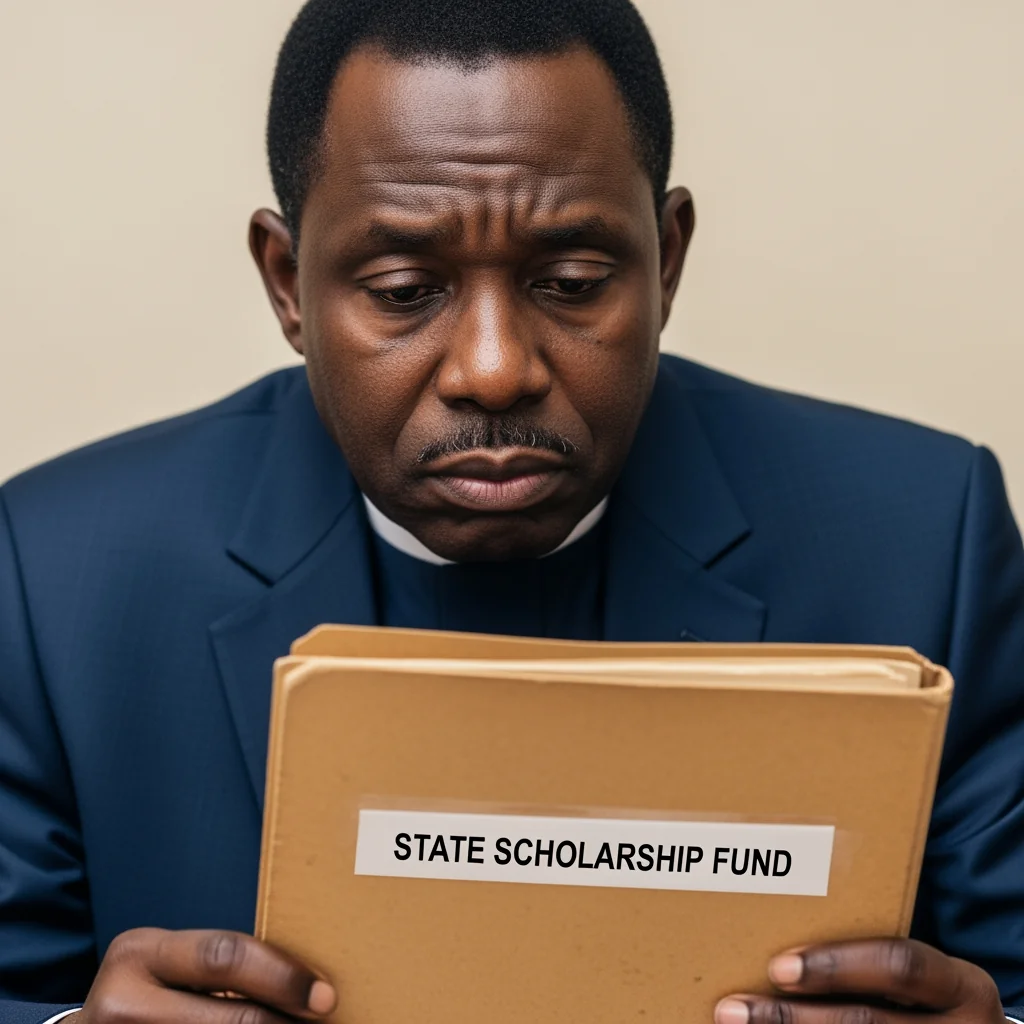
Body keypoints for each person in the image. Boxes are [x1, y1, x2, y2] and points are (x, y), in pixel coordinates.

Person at [1, 0, 1022, 1022]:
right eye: (404, 289)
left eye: (571, 281)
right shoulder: (54, 581)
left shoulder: (927, 539)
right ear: (288, 284)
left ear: (664, 259)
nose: (494, 369)